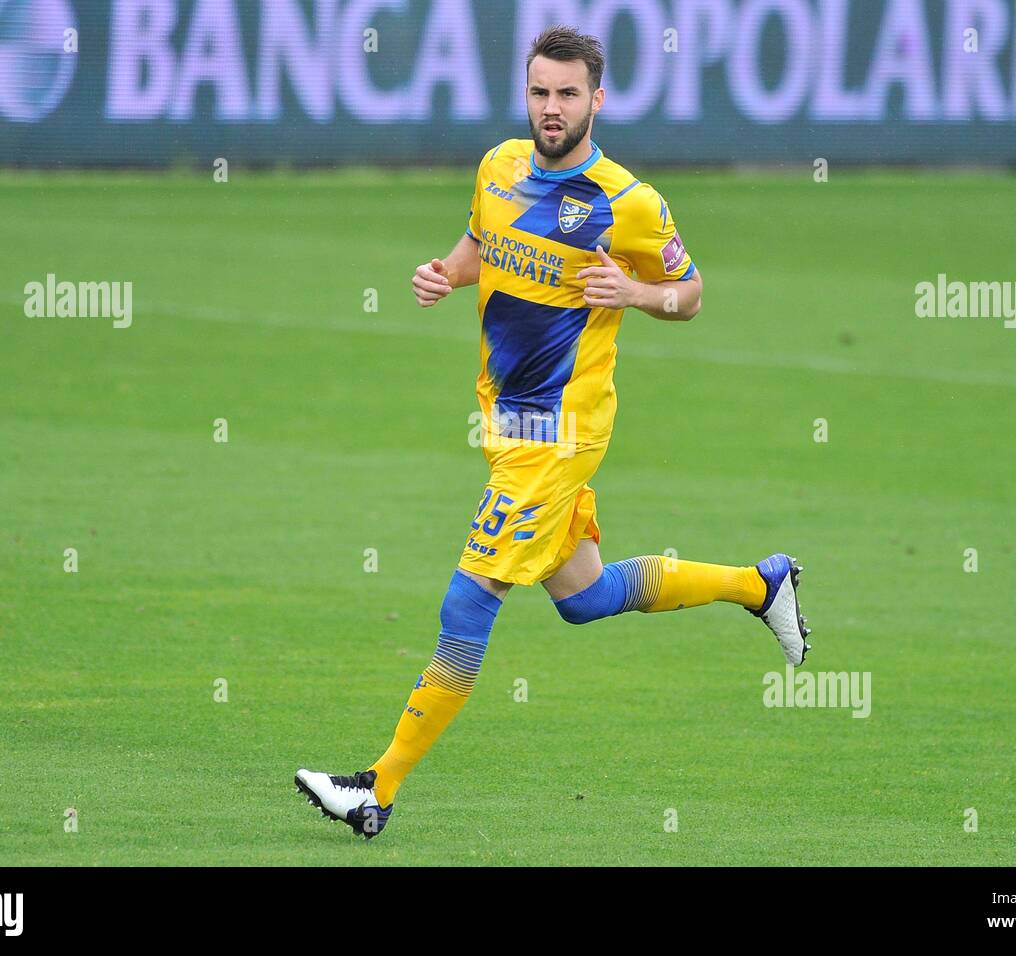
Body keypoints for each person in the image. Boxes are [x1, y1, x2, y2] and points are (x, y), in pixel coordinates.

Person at [296, 25, 811, 840]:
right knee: (584, 596)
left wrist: (636, 295)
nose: (552, 107)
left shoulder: (627, 202)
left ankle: (376, 788)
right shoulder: (498, 166)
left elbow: (692, 293)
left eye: (569, 94)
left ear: (597, 100)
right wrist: (446, 272)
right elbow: (480, 246)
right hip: (507, 421)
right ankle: (761, 583)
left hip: (559, 434)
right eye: (540, 91)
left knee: (470, 597)